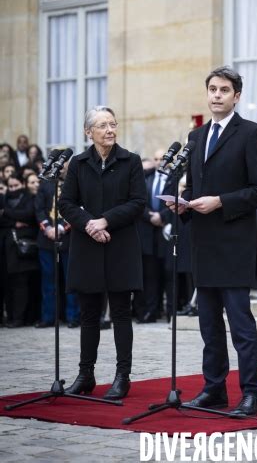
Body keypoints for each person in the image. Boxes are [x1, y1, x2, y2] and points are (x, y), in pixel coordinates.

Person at [170, 66, 257, 416]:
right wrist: (183, 205)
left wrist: (221, 201)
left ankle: (251, 394)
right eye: (212, 89)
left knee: (240, 327)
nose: (216, 95)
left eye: (224, 90)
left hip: (234, 244)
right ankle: (214, 389)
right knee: (209, 325)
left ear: (236, 96)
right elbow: (197, 187)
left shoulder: (252, 134)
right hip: (203, 242)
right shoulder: (196, 136)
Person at [59, 106, 146, 399]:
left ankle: (123, 376)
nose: (109, 130)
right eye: (102, 125)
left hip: (121, 244)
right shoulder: (79, 163)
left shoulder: (130, 161)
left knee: (121, 312)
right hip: (87, 244)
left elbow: (138, 202)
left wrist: (105, 220)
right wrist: (89, 226)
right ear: (89, 132)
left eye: (113, 124)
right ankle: (86, 374)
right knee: (88, 314)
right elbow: (66, 203)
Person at [35, 162, 80, 329]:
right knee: (48, 281)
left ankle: (72, 317)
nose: (61, 169)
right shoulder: (45, 184)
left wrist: (62, 227)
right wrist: (47, 228)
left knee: (70, 281)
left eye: (64, 166)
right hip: (46, 240)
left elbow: (76, 208)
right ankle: (49, 317)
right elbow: (38, 209)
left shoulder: (74, 184)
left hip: (68, 239)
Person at [136, 149, 174, 323]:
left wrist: (163, 216)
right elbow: (138, 203)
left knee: (168, 273)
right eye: (157, 158)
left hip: (167, 233)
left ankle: (172, 312)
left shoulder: (175, 179)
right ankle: (152, 311)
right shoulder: (146, 179)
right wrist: (151, 216)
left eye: (163, 158)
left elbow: (179, 201)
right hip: (148, 234)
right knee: (150, 276)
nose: (160, 161)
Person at [1, 173, 39, 327]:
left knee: (22, 285)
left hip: (24, 250)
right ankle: (11, 317)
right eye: (10, 186)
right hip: (6, 251)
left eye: (16, 186)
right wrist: (14, 221)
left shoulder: (29, 198)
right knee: (9, 286)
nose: (13, 189)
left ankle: (21, 318)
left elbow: (28, 214)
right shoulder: (3, 199)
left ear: (22, 185)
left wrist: (6, 214)